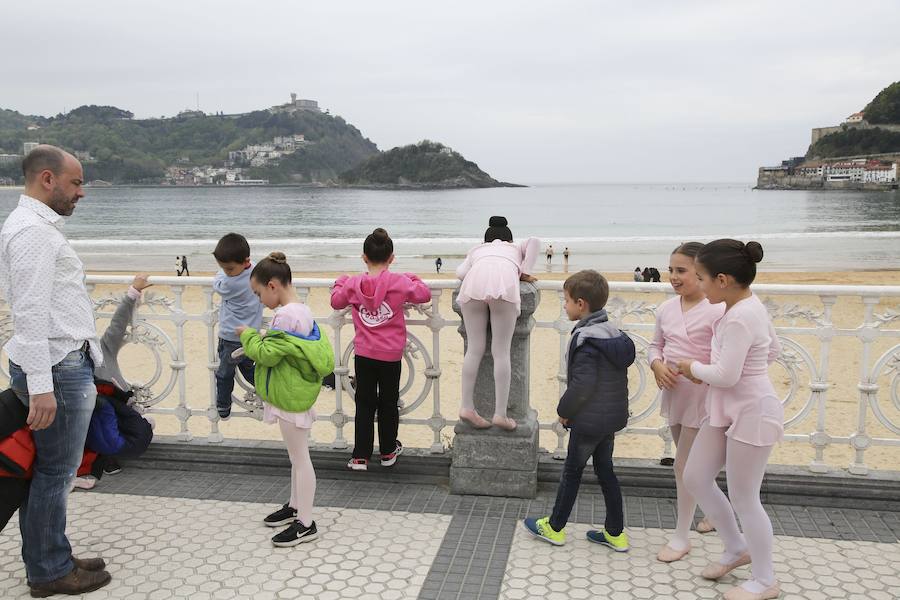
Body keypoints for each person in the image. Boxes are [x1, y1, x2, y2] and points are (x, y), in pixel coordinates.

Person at [0, 145, 112, 594]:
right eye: (76, 183)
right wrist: (43, 387)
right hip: (56, 370)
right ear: (47, 179)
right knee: (55, 473)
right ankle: (49, 570)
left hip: (58, 365)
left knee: (50, 470)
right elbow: (27, 313)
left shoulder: (31, 226)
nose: (81, 193)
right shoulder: (33, 233)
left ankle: (52, 554)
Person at [677, 240, 782, 600]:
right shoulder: (745, 306)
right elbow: (773, 350)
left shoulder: (741, 315)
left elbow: (726, 375)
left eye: (702, 277)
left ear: (722, 280)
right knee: (695, 476)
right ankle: (736, 548)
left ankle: (765, 580)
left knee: (745, 496)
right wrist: (727, 374)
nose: (699, 284)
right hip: (727, 409)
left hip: (752, 413)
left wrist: (694, 368)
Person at [523, 270, 635, 550]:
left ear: (581, 304)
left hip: (588, 421)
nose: (564, 305)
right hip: (609, 418)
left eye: (567, 300)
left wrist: (564, 410)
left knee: (572, 472)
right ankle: (615, 533)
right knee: (605, 470)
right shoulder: (613, 333)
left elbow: (583, 384)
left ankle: (555, 527)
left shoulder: (587, 339)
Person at [237, 252, 334, 547]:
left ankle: (306, 523)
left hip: (290, 396)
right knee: (297, 456)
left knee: (300, 459)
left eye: (258, 293)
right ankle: (295, 506)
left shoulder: (285, 315)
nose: (259, 300)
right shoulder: (301, 310)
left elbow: (266, 353)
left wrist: (248, 335)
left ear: (273, 285)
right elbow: (287, 348)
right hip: (295, 392)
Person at [331, 228, 431, 471]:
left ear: (364, 257)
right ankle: (387, 451)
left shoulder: (354, 284)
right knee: (388, 403)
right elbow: (424, 294)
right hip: (391, 355)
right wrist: (413, 277)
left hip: (364, 353)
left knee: (364, 403)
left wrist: (341, 281)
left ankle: (360, 456)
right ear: (392, 258)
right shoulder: (399, 282)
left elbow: (336, 301)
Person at [648, 243, 723, 563]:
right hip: (675, 394)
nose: (674, 277)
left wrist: (698, 372)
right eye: (671, 270)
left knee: (684, 466)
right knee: (693, 464)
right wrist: (656, 366)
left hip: (704, 397)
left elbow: (724, 358)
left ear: (700, 273)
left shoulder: (717, 309)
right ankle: (715, 511)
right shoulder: (666, 309)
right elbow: (655, 346)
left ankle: (681, 536)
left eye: (682, 271)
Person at [455, 217, 539, 430]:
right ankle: (500, 414)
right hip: (504, 286)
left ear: (485, 241)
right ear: (509, 239)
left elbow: (460, 273)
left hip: (473, 285)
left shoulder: (477, 250)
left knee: (474, 350)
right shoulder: (514, 248)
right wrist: (524, 270)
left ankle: (466, 406)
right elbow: (535, 241)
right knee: (501, 352)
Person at [79, 273, 156, 486]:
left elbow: (118, 323)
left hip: (118, 411)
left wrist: (133, 292)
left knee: (140, 426)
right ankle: (98, 461)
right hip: (91, 415)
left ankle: (106, 457)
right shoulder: (67, 363)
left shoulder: (103, 349)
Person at [211, 233, 263, 419]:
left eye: (229, 268)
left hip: (230, 337)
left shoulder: (229, 283)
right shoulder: (257, 272)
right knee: (250, 369)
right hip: (250, 335)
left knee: (224, 374)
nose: (226, 272)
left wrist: (221, 274)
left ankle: (223, 406)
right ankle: (269, 391)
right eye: (223, 268)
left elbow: (217, 284)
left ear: (245, 261)